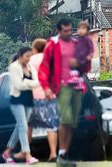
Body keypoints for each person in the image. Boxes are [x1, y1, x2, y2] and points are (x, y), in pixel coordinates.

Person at [38, 18, 82, 162]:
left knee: (72, 121)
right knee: (65, 119)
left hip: (76, 85)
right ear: (59, 31)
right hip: (61, 86)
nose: (68, 33)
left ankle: (64, 152)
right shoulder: (53, 44)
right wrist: (46, 88)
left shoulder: (76, 43)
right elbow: (44, 67)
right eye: (65, 31)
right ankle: (62, 153)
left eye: (70, 30)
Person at [3, 47, 41, 165]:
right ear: (20, 55)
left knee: (19, 127)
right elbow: (18, 85)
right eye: (27, 56)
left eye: (30, 56)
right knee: (23, 126)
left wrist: (27, 83)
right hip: (17, 100)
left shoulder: (30, 67)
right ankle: (27, 155)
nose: (29, 59)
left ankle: (7, 152)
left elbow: (38, 82)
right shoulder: (14, 67)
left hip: (28, 99)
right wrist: (30, 83)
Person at [28, 39, 60, 162]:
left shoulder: (29, 61)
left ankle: (28, 153)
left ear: (35, 49)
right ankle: (53, 153)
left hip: (32, 98)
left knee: (28, 126)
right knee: (51, 126)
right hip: (49, 97)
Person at [68, 21, 94, 92]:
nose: (80, 30)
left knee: (80, 71)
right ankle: (75, 80)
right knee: (73, 68)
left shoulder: (87, 39)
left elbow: (91, 49)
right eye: (79, 29)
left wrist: (90, 55)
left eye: (83, 29)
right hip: (78, 58)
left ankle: (81, 84)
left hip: (84, 59)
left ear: (87, 30)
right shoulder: (78, 39)